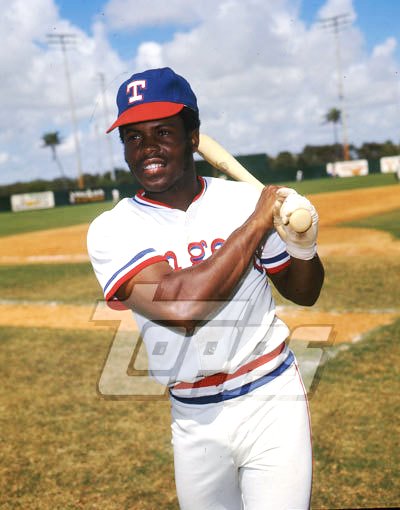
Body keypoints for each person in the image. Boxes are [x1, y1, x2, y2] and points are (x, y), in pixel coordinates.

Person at [87, 67, 324, 509]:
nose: (147, 148)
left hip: (270, 396)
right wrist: (255, 225)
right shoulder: (112, 228)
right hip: (193, 416)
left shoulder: (241, 201)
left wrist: (303, 246)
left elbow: (304, 292)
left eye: (163, 132)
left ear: (193, 137)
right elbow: (182, 309)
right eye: (134, 137)